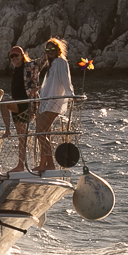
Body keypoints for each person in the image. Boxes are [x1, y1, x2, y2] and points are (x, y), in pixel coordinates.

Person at [34, 38, 75, 172]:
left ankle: (49, 164)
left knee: (40, 133)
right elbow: (52, 84)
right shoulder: (52, 64)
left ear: (58, 50)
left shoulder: (60, 62)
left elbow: (65, 80)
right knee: (44, 133)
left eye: (53, 49)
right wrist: (39, 89)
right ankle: (44, 163)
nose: (50, 52)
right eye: (47, 50)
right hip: (46, 102)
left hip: (53, 103)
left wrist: (70, 94)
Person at [3, 45, 42, 171]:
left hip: (25, 104)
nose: (14, 58)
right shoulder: (15, 70)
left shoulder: (29, 66)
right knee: (21, 138)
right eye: (12, 56)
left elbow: (43, 61)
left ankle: (7, 130)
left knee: (3, 103)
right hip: (17, 105)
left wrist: (51, 49)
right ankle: (20, 166)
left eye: (16, 55)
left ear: (22, 55)